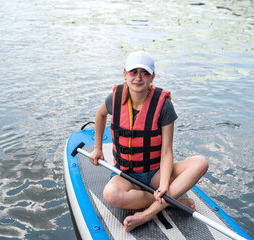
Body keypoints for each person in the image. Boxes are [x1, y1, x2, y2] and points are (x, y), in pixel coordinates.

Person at [89, 51, 208, 232]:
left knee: (200, 163)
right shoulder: (115, 99)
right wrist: (98, 148)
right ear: (125, 74)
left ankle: (149, 212)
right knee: (110, 195)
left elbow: (167, 151)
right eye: (133, 72)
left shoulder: (164, 106)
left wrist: (164, 185)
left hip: (155, 172)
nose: (138, 77)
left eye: (144, 72)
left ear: (152, 76)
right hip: (126, 174)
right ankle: (171, 201)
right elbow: (100, 114)